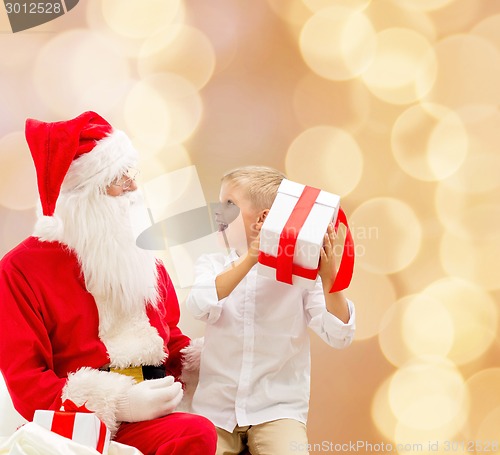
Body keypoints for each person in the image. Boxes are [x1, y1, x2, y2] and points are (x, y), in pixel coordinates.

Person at [0, 112, 217, 455]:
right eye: (120, 179)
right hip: (80, 427)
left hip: (159, 412)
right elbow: (28, 384)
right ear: (83, 194)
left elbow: (169, 339)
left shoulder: (140, 257)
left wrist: (216, 356)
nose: (134, 189)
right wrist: (120, 403)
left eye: (133, 176)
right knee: (195, 434)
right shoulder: (20, 270)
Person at [186, 166, 356, 455]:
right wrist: (253, 257)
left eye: (229, 205)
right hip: (216, 410)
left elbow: (339, 335)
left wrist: (329, 279)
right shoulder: (212, 264)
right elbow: (198, 306)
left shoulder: (300, 277)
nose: (217, 213)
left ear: (263, 220)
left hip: (277, 409)